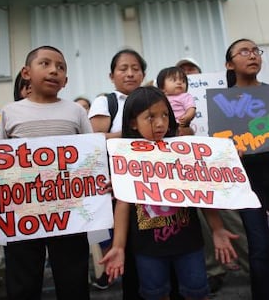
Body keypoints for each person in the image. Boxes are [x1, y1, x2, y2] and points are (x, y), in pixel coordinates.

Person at [0, 45, 93, 300]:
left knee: (73, 280)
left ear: (66, 80)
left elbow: (91, 156)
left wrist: (100, 182)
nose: (54, 70)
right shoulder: (9, 112)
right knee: (22, 282)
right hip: (22, 214)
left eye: (61, 67)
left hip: (69, 212)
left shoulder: (76, 111)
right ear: (26, 72)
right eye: (45, 64)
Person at [100, 86, 239, 300]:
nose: (160, 123)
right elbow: (123, 204)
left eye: (165, 115)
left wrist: (218, 229)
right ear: (132, 123)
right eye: (151, 117)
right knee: (156, 295)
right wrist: (118, 246)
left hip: (189, 244)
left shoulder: (182, 151)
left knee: (196, 292)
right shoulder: (125, 157)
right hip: (148, 250)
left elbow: (200, 192)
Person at [175, 57, 250, 293]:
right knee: (203, 223)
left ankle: (255, 265)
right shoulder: (172, 103)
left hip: (221, 165)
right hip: (192, 168)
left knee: (233, 218)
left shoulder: (219, 94)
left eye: (191, 70)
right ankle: (214, 271)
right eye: (181, 71)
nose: (187, 73)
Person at [88, 49, 146, 294]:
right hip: (118, 184)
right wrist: (137, 135)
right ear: (112, 75)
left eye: (136, 68)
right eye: (123, 68)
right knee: (128, 246)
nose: (130, 73)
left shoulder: (152, 99)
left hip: (150, 183)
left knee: (151, 247)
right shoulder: (106, 102)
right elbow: (96, 138)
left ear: (143, 74)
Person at [225, 38, 269, 300]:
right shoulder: (221, 103)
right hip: (247, 182)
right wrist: (230, 150)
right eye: (244, 51)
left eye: (255, 50)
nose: (252, 55)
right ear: (230, 63)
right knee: (260, 246)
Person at [156, 66, 196, 136]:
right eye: (174, 80)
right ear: (162, 87)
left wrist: (187, 117)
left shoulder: (185, 96)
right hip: (164, 126)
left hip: (180, 125)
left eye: (183, 81)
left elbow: (191, 109)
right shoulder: (160, 98)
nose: (179, 83)